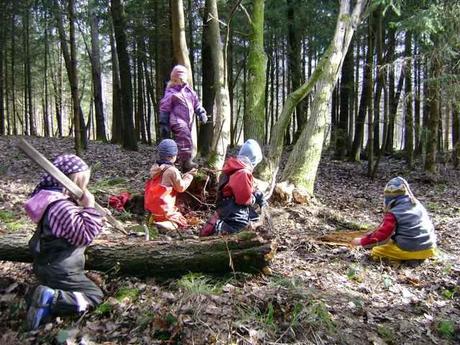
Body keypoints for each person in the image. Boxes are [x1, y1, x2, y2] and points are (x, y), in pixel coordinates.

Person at [24, 154, 104, 331]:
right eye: (82, 183)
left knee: (51, 288)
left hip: (45, 265)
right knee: (94, 295)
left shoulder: (48, 200)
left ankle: (38, 301)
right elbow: (84, 235)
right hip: (61, 270)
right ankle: (53, 299)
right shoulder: (62, 206)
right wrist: (89, 208)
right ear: (72, 182)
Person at [351, 176, 437, 261]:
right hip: (430, 248)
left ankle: (409, 257)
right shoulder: (417, 205)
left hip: (410, 249)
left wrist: (362, 242)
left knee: (376, 251)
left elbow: (383, 236)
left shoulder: (394, 212)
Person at [200, 139, 266, 237]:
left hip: (225, 205)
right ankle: (218, 227)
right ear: (253, 161)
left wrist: (255, 192)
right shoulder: (243, 172)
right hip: (232, 207)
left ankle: (222, 222)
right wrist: (254, 198)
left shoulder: (234, 166)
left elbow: (238, 188)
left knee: (254, 218)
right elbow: (243, 199)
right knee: (241, 228)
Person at [159, 64, 207, 171]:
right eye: (176, 80)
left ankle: (175, 158)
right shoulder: (171, 93)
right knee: (184, 137)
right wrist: (163, 123)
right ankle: (186, 162)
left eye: (181, 79)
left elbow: (197, 104)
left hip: (187, 121)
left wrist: (202, 113)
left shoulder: (189, 92)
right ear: (173, 79)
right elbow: (164, 108)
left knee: (185, 139)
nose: (178, 81)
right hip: (177, 120)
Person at [144, 139, 196, 230]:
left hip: (151, 209)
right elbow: (181, 187)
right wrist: (189, 176)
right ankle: (166, 224)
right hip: (164, 209)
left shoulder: (155, 168)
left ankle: (154, 221)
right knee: (180, 220)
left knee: (157, 215)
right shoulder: (172, 171)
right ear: (173, 156)